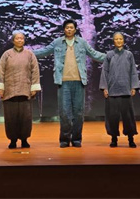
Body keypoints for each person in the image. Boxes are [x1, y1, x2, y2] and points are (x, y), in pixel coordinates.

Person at [33, 19, 106, 148]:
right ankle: (65, 139)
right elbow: (44, 51)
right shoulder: (57, 42)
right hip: (63, 82)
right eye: (67, 27)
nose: (69, 29)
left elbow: (94, 54)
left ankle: (77, 139)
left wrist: (110, 57)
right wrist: (27, 52)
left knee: (78, 113)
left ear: (75, 29)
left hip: (79, 81)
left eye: (71, 27)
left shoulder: (82, 42)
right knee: (65, 113)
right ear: (64, 29)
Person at [0, 31, 41, 149]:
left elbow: (35, 71)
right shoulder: (7, 54)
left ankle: (24, 140)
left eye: (22, 38)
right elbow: (0, 71)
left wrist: (34, 87)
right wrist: (0, 88)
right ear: (13, 40)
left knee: (25, 118)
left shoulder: (30, 54)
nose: (20, 40)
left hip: (25, 90)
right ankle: (13, 140)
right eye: (17, 38)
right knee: (11, 117)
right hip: (9, 91)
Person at [99, 32, 140, 148]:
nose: (118, 41)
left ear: (123, 40)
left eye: (120, 39)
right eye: (116, 39)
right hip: (112, 91)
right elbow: (104, 72)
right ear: (113, 41)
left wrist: (133, 86)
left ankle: (131, 139)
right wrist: (105, 88)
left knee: (128, 116)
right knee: (112, 116)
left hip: (126, 90)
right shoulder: (109, 55)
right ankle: (114, 138)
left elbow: (133, 71)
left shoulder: (129, 54)